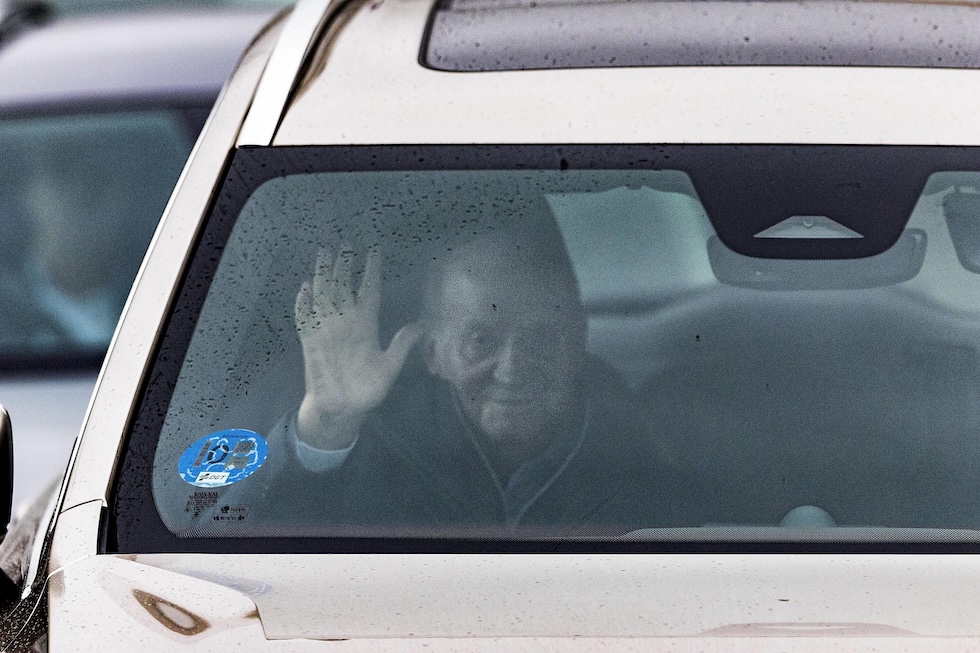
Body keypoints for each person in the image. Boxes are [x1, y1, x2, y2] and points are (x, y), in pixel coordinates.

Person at [221, 222, 682, 535]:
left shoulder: (640, 449)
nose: (512, 367)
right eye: (481, 339)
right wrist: (326, 425)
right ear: (432, 353)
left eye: (541, 336)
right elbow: (220, 543)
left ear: (578, 342)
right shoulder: (374, 446)